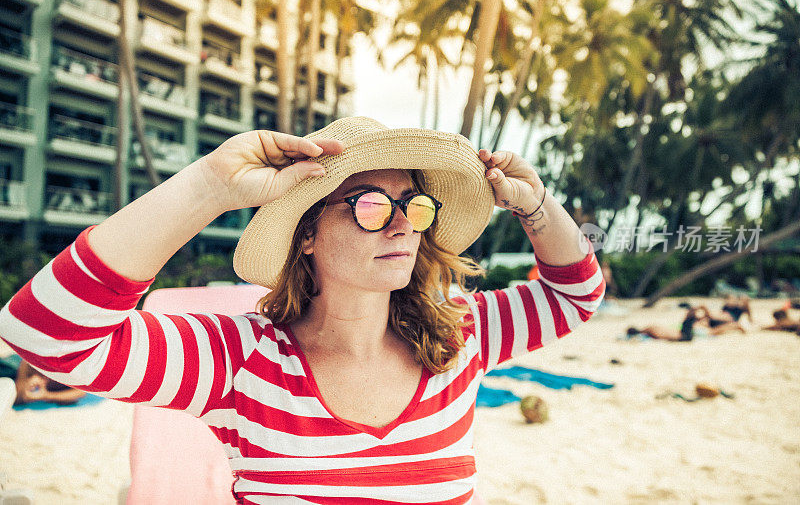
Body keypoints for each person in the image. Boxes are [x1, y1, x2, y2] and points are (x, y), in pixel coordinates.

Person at [0, 116, 606, 504]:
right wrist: (211, 185)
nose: (401, 224)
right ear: (308, 234)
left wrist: (536, 207)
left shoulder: (459, 336)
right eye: (369, 205)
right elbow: (43, 333)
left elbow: (578, 295)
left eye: (414, 205)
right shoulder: (239, 360)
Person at [0, 354, 87, 406]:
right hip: (17, 364)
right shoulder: (31, 364)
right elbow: (19, 398)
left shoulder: (73, 374)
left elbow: (80, 393)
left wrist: (44, 395)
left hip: (23, 372)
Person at [626, 305, 745, 342]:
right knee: (711, 330)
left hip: (682, 336)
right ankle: (694, 311)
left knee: (712, 330)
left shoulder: (650, 331)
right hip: (682, 335)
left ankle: (694, 311)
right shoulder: (650, 328)